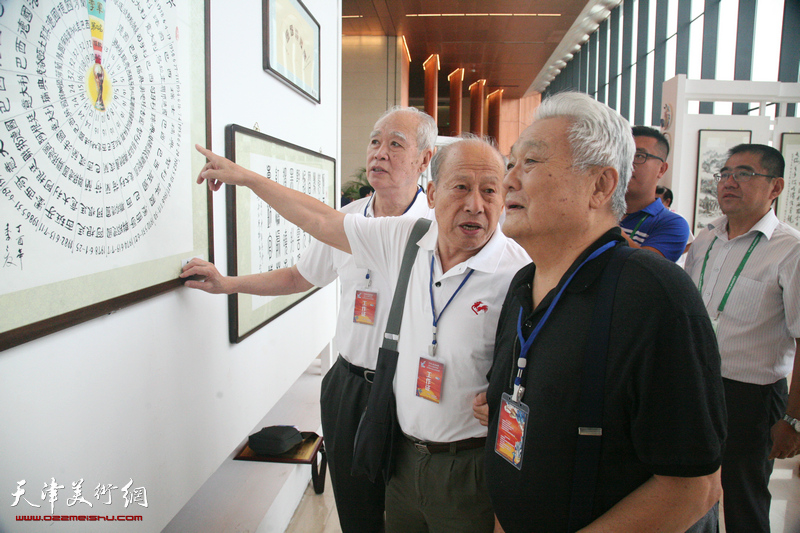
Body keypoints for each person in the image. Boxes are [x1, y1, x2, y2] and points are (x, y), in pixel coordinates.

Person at [194, 135, 530, 533]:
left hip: (467, 468)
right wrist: (247, 178)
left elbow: (539, 365)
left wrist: (509, 402)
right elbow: (319, 220)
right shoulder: (406, 238)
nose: (476, 204)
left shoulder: (518, 272)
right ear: (434, 192)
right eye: (461, 187)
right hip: (403, 456)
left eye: (490, 190)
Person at [475, 92, 725, 532]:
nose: (508, 180)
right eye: (510, 163)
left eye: (529, 163)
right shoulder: (522, 285)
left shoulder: (653, 294)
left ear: (601, 186)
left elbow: (693, 487)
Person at [181, 106, 437, 533]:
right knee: (357, 512)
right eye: (375, 141)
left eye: (396, 144)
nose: (380, 153)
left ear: (424, 160)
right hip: (349, 386)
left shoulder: (433, 230)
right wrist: (228, 284)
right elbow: (299, 276)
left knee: (407, 510)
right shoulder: (349, 220)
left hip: (407, 387)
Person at [684, 144, 800, 533]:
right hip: (696, 385)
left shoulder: (791, 250)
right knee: (692, 491)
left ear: (776, 186)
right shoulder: (706, 238)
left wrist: (793, 419)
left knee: (743, 500)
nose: (729, 182)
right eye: (725, 173)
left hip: (751, 397)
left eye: (745, 173)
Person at [620, 126, 690, 261]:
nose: (627, 163)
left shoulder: (672, 224)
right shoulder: (594, 208)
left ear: (661, 169)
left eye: (639, 156)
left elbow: (646, 269)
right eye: (622, 155)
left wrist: (604, 223)